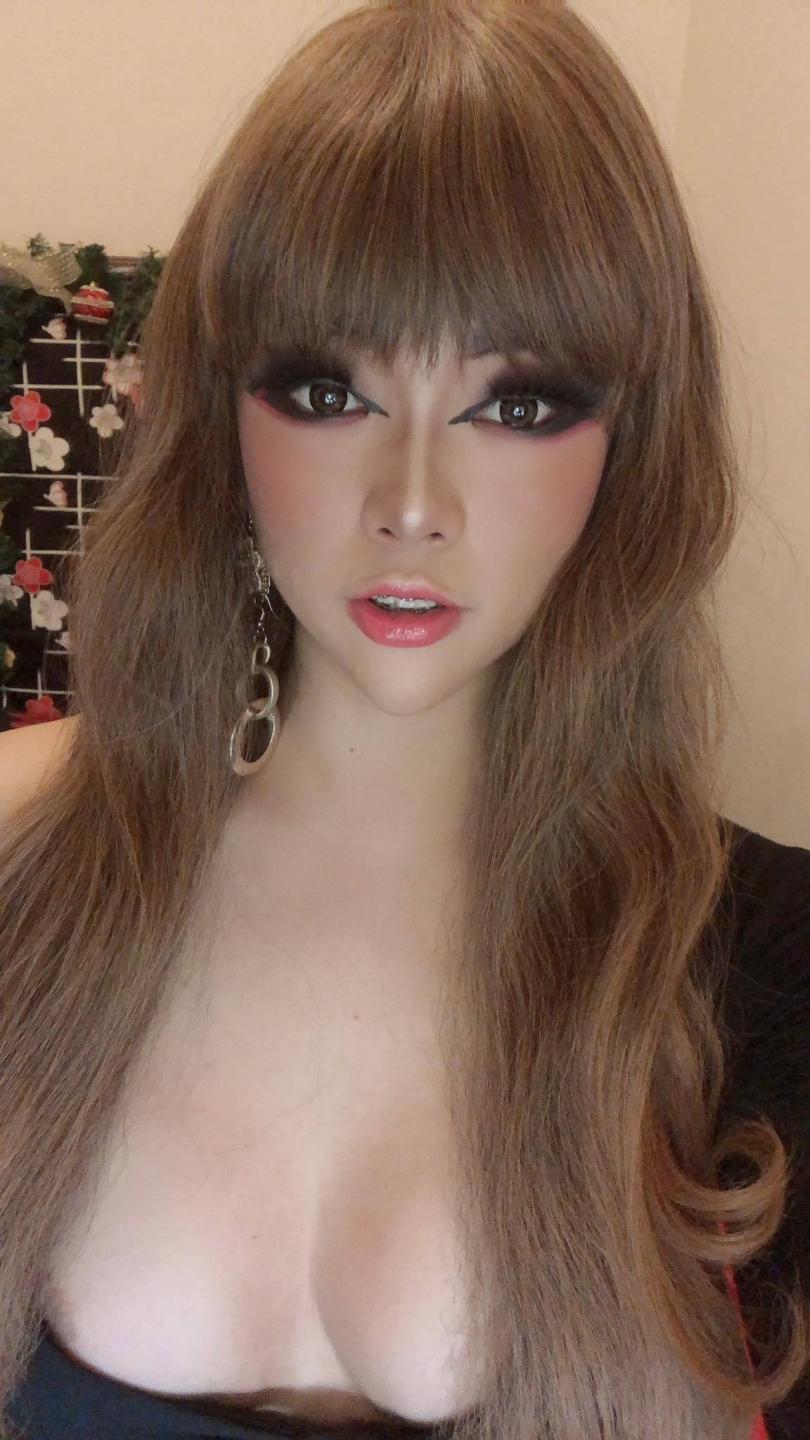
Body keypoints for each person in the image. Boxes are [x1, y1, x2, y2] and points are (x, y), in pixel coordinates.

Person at [0, 2, 808, 1438]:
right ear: (221, 413)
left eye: (518, 404)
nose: (414, 503)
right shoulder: (24, 856)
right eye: (331, 390)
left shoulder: (754, 963)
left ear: (633, 441)